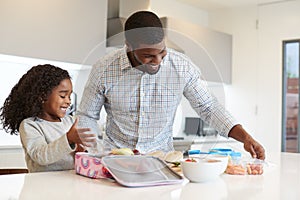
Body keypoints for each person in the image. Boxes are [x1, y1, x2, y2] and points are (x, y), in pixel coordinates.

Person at [77, 11, 265, 160]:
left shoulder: (182, 67)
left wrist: (245, 138)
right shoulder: (104, 68)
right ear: (129, 46)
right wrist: (93, 152)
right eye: (148, 56)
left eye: (162, 52)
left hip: (162, 163)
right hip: (115, 160)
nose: (157, 61)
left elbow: (209, 108)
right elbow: (87, 115)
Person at [0, 64, 96, 172]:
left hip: (70, 183)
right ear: (43, 96)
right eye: (63, 96)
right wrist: (68, 139)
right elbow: (40, 156)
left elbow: (85, 152)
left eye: (69, 96)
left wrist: (82, 150)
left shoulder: (70, 121)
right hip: (42, 185)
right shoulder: (30, 125)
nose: (68, 101)